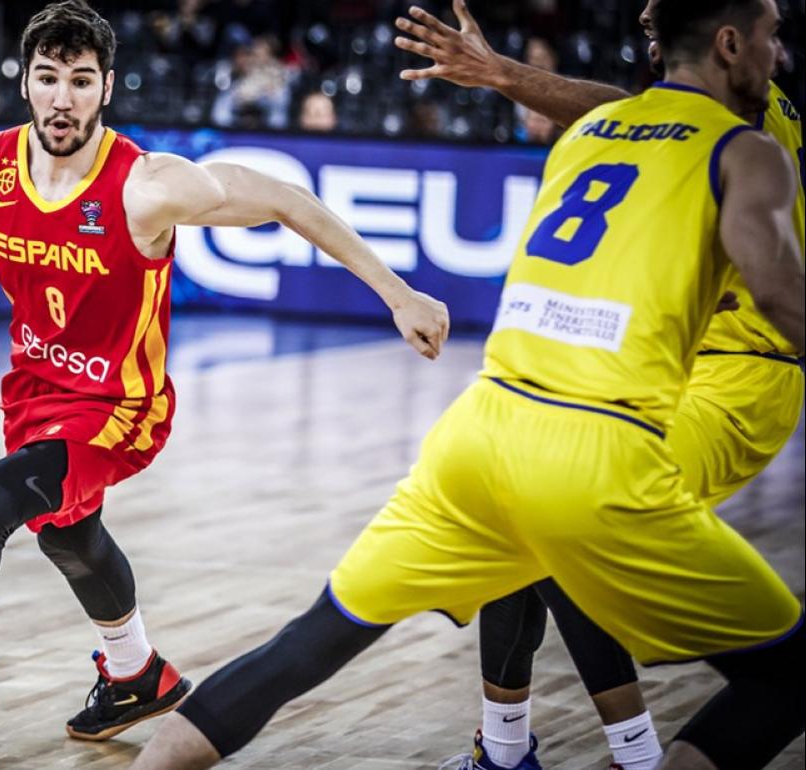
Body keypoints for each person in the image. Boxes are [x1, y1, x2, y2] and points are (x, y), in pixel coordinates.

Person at [130, 1, 805, 769]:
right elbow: (780, 292)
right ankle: (623, 751)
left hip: (481, 428)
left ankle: (516, 750)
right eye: (771, 36)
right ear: (728, 43)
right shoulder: (745, 148)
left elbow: (629, 115)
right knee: (776, 669)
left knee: (307, 644)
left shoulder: (587, 139)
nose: (779, 53)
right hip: (610, 436)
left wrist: (503, 76)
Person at [0, 3, 449, 769]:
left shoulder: (149, 185)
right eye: (48, 78)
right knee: (72, 538)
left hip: (121, 410)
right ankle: (135, 674)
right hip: (35, 397)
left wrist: (397, 293)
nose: (61, 97)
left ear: (105, 87)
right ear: (28, 83)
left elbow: (288, 200)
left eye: (80, 81)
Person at [392, 1, 804, 767]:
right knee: (519, 495)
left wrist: (502, 74)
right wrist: (499, 75)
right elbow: (623, 108)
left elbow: (620, 108)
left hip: (739, 376)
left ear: (723, 42)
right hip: (668, 363)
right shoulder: (691, 110)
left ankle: (635, 751)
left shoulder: (748, 119)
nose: (651, 41)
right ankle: (507, 750)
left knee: (559, 510)